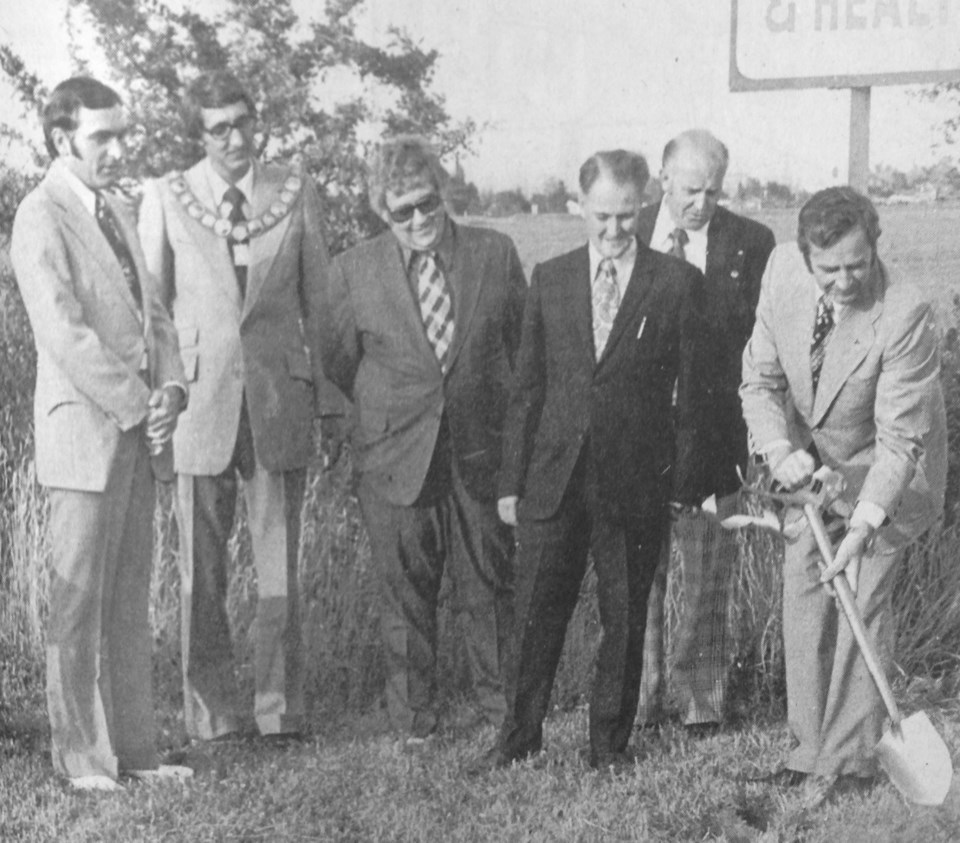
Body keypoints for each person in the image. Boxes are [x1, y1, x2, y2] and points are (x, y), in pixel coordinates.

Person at [482, 149, 715, 771]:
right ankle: (518, 738)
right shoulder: (551, 277)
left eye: (626, 216)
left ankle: (607, 746)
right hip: (553, 480)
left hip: (636, 481)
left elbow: (692, 394)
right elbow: (527, 388)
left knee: (624, 615)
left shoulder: (674, 282)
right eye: (602, 216)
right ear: (578, 207)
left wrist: (684, 480)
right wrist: (511, 482)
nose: (614, 231)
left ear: (644, 207)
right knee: (536, 614)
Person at [139, 71, 343, 743]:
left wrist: (333, 402)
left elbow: (325, 305)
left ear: (257, 123)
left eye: (243, 121)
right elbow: (155, 313)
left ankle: (279, 708)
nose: (234, 136)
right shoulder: (167, 196)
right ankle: (210, 711)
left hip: (280, 400)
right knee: (202, 569)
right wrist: (160, 395)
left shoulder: (295, 190)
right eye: (218, 126)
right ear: (199, 134)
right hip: (198, 404)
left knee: (280, 563)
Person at [10, 76, 191, 791]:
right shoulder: (39, 215)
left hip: (137, 434)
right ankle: (83, 760)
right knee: (79, 604)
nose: (118, 149)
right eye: (102, 137)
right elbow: (64, 335)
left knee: (126, 600)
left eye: (123, 133)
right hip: (85, 437)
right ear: (62, 141)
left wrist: (172, 388)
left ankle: (136, 754)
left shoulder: (119, 207)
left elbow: (158, 317)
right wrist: (140, 403)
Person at [740, 186, 946, 801]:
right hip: (811, 471)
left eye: (857, 264)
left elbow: (902, 438)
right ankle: (810, 750)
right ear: (806, 258)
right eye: (829, 269)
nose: (845, 280)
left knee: (863, 591)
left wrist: (862, 525)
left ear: (875, 245)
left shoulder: (905, 309)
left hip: (888, 475)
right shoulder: (781, 272)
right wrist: (780, 452)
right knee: (806, 594)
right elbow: (760, 382)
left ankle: (853, 759)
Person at [319, 136, 526, 745]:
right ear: (383, 212)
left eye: (427, 204)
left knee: (488, 582)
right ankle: (415, 722)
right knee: (406, 593)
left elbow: (522, 352)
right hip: (393, 455)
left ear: (445, 193)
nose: (418, 221)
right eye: (401, 211)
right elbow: (337, 362)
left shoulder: (495, 254)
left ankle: (503, 711)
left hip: (479, 451)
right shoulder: (352, 271)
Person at [635, 129, 775, 736]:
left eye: (713, 192)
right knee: (639, 575)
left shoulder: (751, 242)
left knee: (711, 572)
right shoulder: (626, 231)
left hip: (716, 438)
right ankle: (639, 699)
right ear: (663, 179)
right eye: (690, 190)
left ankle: (703, 701)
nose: (701, 203)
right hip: (641, 435)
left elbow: (758, 342)